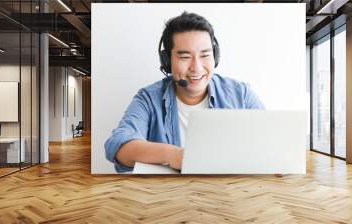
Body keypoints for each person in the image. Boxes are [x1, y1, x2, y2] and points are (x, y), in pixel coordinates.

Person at [105, 11, 265, 173]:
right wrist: (175, 156)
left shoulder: (241, 94)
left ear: (215, 57)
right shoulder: (148, 98)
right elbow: (118, 146)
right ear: (167, 61)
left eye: (205, 55)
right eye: (185, 57)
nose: (196, 67)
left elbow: (270, 140)